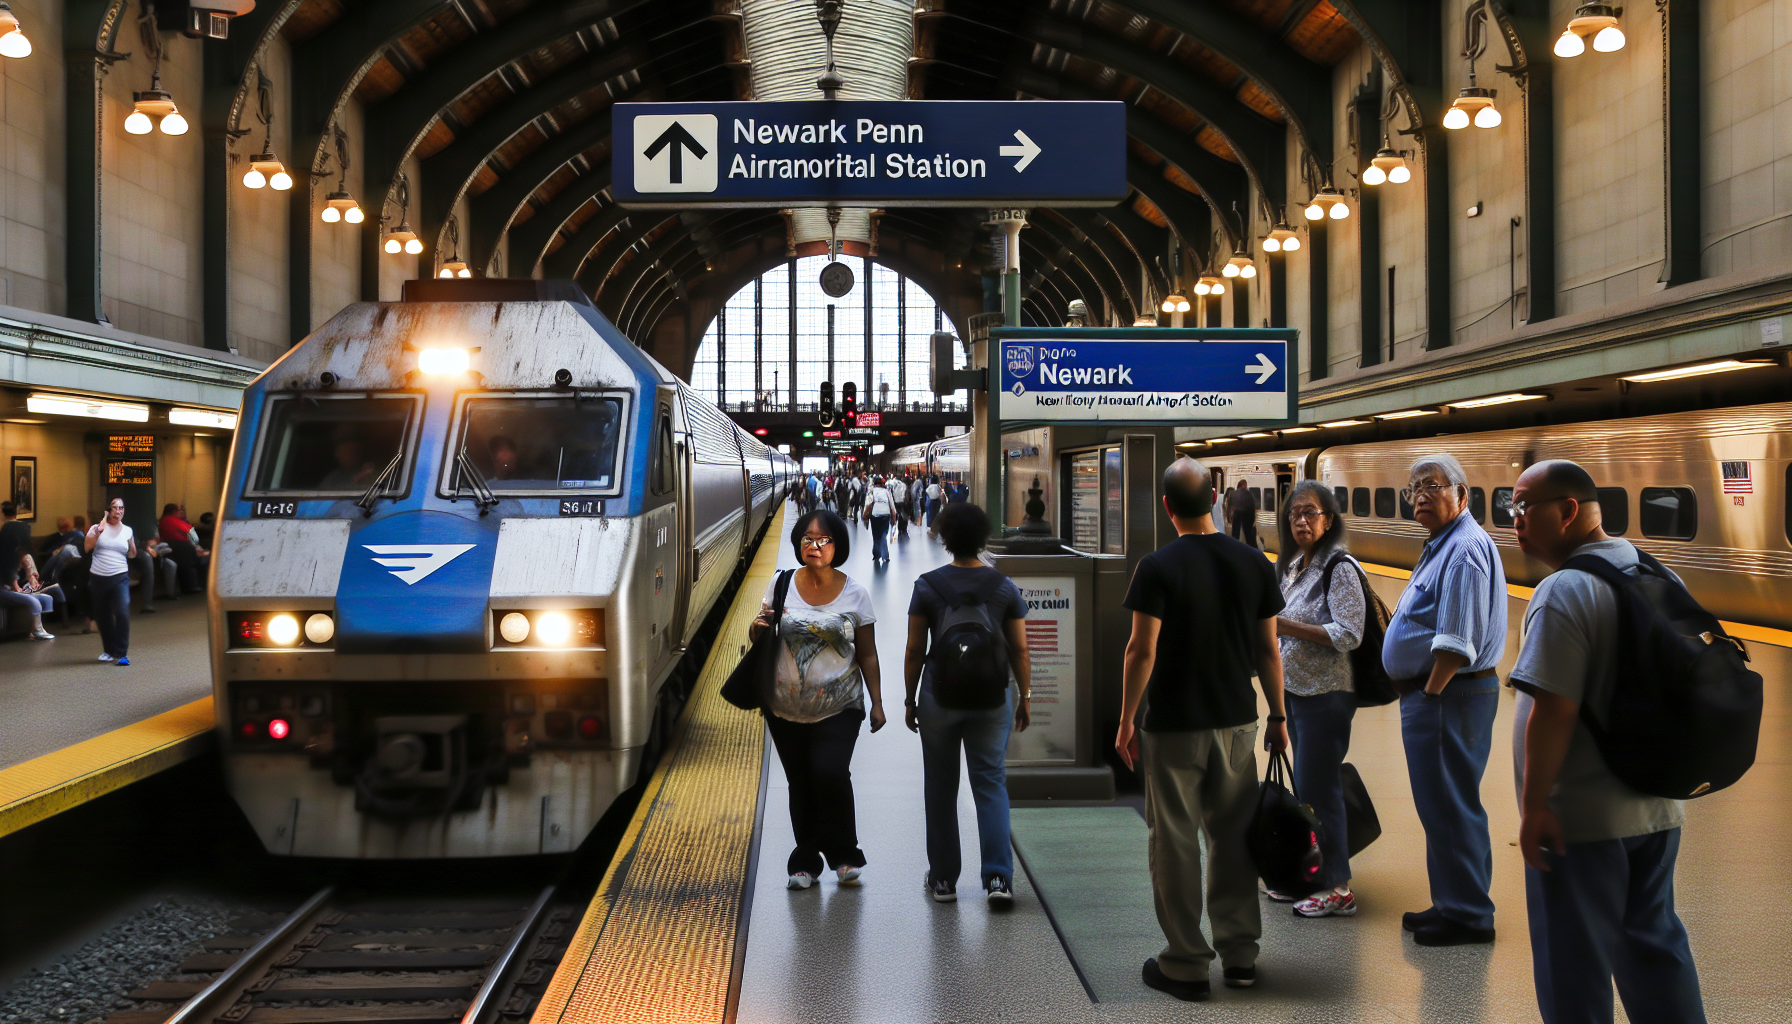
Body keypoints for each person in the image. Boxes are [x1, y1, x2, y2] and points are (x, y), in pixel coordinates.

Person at [1507, 460, 1707, 1024]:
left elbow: (1553, 707)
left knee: (1573, 968)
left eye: (1523, 508)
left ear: (1568, 510)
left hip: (1581, 822)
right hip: (1657, 806)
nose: (1515, 521)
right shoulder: (1658, 572)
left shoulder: (1564, 590)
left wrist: (1534, 808)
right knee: (1655, 949)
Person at [1117, 458, 1289, 1002]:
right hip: (1238, 721)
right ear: (1216, 496)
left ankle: (1186, 963)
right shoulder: (1255, 562)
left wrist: (1125, 720)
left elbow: (1141, 650)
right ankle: (1240, 957)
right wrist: (1279, 717)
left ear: (1167, 507)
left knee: (1173, 840)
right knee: (1234, 836)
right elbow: (1268, 651)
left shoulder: (1157, 567)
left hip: (1173, 725)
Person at [1383, 453, 1509, 946]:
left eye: (1434, 485)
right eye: (1415, 487)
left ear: (1463, 494)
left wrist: (1429, 693)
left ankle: (1469, 916)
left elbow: (1457, 643)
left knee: (1453, 805)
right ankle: (1451, 902)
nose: (1421, 495)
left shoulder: (1463, 550)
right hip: (1442, 696)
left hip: (1448, 696)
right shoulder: (1442, 544)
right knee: (1440, 805)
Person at [749, 508, 887, 891]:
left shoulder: (855, 593)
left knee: (829, 773)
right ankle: (805, 860)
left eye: (823, 539)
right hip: (785, 705)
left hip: (840, 703)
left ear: (837, 545)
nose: (815, 545)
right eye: (807, 539)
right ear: (797, 544)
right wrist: (756, 629)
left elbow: (868, 653)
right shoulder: (781, 583)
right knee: (801, 781)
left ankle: (844, 854)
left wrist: (877, 701)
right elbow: (762, 634)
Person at [904, 501, 1032, 904]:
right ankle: (998, 879)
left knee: (940, 786)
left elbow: (913, 650)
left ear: (944, 539)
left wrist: (910, 699)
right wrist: (1024, 697)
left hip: (938, 697)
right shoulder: (1003, 586)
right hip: (992, 696)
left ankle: (943, 879)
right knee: (991, 783)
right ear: (982, 539)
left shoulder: (927, 585)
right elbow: (1020, 649)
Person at [1270, 481, 1366, 917]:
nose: (1301, 521)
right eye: (1294, 514)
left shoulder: (1339, 567)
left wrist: (1286, 627)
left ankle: (1337, 886)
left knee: (1319, 789)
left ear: (1329, 519)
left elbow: (1349, 633)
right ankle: (1310, 876)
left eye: (1311, 513)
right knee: (1306, 788)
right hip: (1298, 691)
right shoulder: (1293, 567)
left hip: (1327, 695)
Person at [85, 498, 138, 665]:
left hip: (120, 577)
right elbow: (87, 547)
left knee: (122, 611)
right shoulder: (96, 529)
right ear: (108, 510)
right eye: (115, 508)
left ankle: (121, 652)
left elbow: (132, 552)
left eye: (121, 508)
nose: (119, 511)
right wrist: (99, 530)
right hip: (98, 578)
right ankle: (109, 650)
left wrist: (134, 551)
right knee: (103, 616)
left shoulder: (127, 530)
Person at [1, 502, 56, 640]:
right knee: (34, 601)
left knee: (42, 599)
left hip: (9, 586)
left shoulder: (18, 556)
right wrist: (15, 586)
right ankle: (37, 631)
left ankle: (34, 630)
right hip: (3, 588)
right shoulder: (8, 556)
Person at [158, 503, 204, 594]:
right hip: (182, 546)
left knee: (181, 567)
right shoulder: (174, 520)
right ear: (174, 512)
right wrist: (196, 546)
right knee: (191, 564)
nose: (181, 513)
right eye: (179, 511)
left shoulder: (162, 521)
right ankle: (192, 586)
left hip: (170, 546)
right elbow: (194, 537)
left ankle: (185, 587)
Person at [862, 475, 895, 566]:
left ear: (875, 484)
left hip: (875, 514)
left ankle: (877, 555)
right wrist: (894, 517)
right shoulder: (886, 491)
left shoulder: (871, 492)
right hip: (886, 514)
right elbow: (892, 505)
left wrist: (865, 518)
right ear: (882, 484)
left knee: (876, 536)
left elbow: (868, 504)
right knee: (884, 535)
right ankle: (885, 556)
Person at [1225, 481, 1259, 547]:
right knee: (1249, 539)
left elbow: (1230, 508)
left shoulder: (1234, 494)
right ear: (1242, 485)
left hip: (1238, 519)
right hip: (1247, 520)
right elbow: (1253, 506)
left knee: (1236, 537)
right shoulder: (1248, 494)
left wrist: (1229, 518)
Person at [887, 473, 910, 539]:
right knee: (903, 514)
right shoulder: (904, 485)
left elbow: (891, 491)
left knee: (898, 514)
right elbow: (906, 494)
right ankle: (903, 529)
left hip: (896, 502)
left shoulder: (894, 484)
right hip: (902, 502)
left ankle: (898, 528)